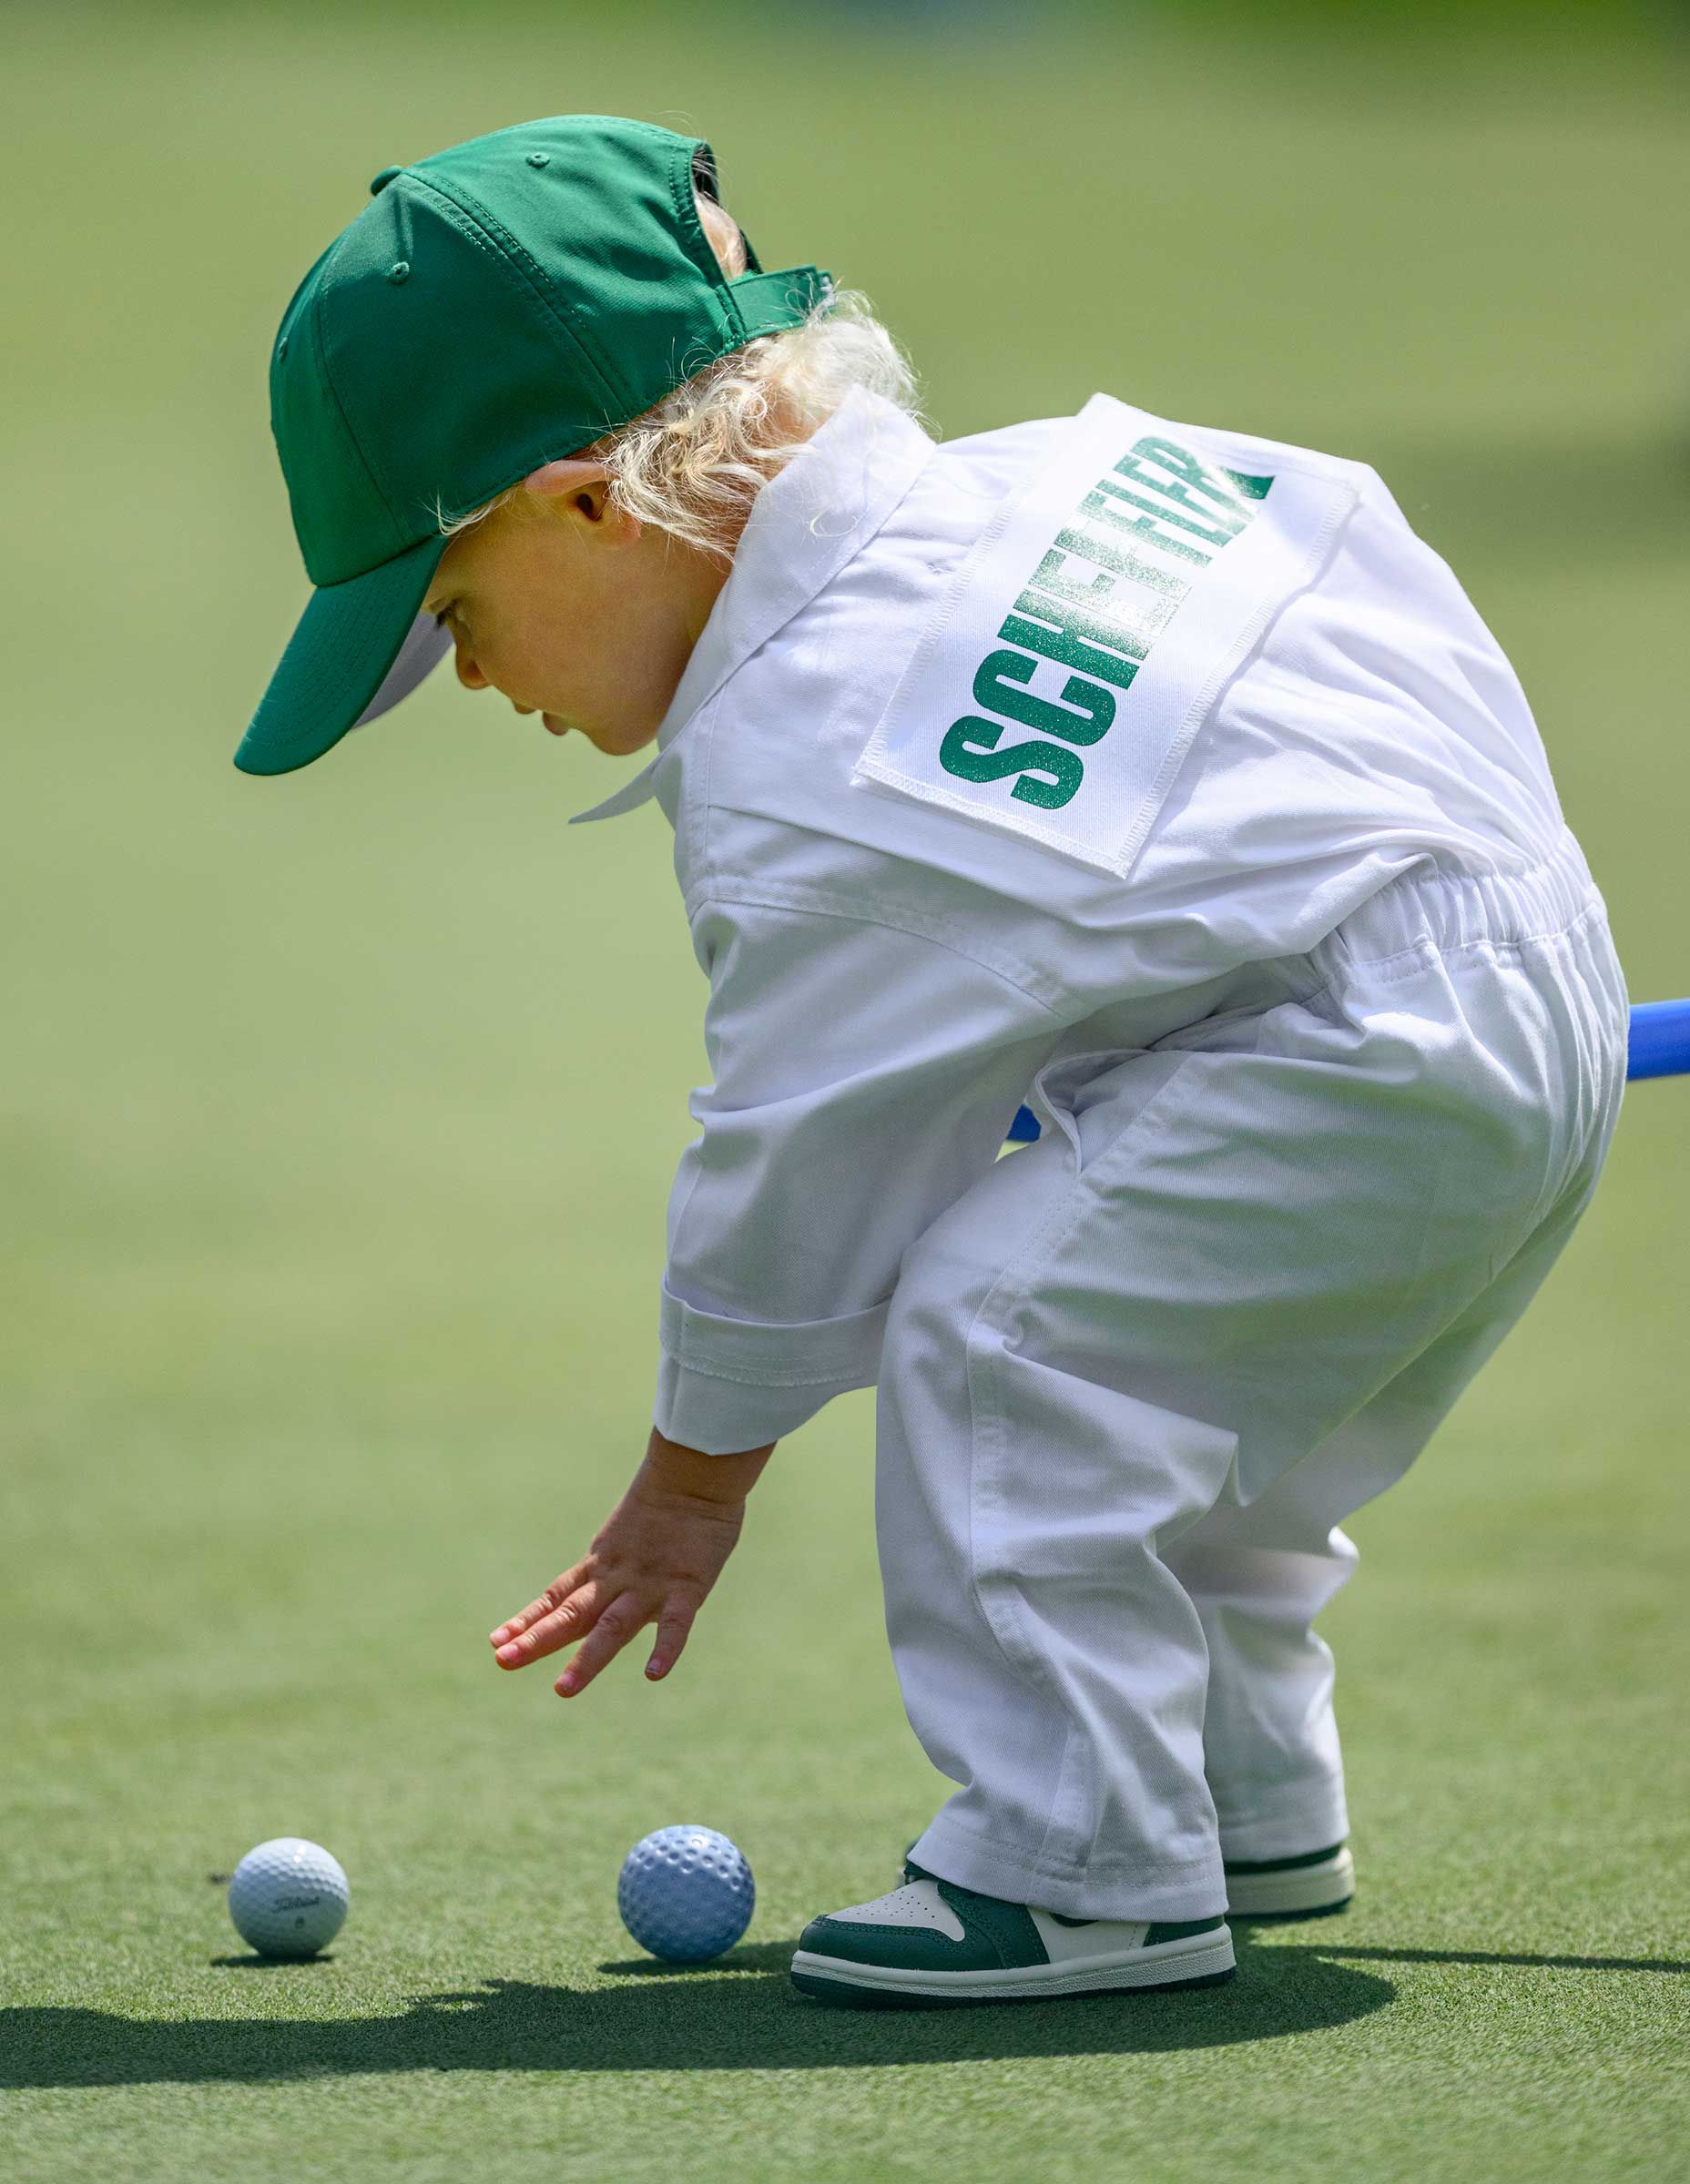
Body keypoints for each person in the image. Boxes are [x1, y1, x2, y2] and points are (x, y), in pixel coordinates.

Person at [238, 115, 1628, 2007]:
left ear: (587, 504)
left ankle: (1083, 1872)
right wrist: (1489, 943)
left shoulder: (799, 766)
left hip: (1342, 1043)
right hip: (1494, 965)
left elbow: (801, 1162)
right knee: (1182, 1391)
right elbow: (1358, 550)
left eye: (453, 615)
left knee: (1003, 1331)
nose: (474, 681)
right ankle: (1239, 1794)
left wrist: (690, 1482)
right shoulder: (1074, 477)